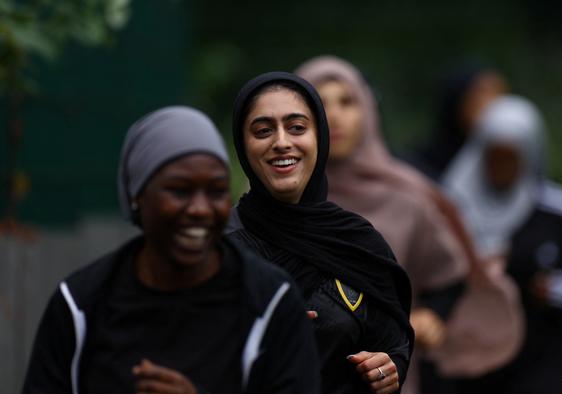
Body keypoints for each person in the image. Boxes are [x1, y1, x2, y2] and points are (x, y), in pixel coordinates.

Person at [22, 106, 320, 394]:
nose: (200, 209)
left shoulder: (270, 302)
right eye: (180, 190)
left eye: (216, 191)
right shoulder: (80, 305)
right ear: (138, 195)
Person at [225, 72, 413, 394]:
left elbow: (393, 345)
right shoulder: (221, 247)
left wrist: (387, 368)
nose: (282, 141)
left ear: (320, 137)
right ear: (243, 145)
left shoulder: (359, 244)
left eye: (297, 128)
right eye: (263, 130)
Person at [295, 56, 469, 394]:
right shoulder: (275, 198)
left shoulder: (407, 197)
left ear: (367, 109)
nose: (335, 115)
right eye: (320, 102)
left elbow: (450, 275)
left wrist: (432, 315)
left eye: (347, 101)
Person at [442, 96, 562, 393]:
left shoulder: (557, 210)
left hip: (542, 364)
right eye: (494, 156)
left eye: (510, 157)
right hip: (474, 362)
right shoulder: (456, 208)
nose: (501, 167)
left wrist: (555, 290)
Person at [410, 63, 507, 181]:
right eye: (481, 94)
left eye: (499, 94)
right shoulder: (416, 168)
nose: (495, 105)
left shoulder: (509, 165)